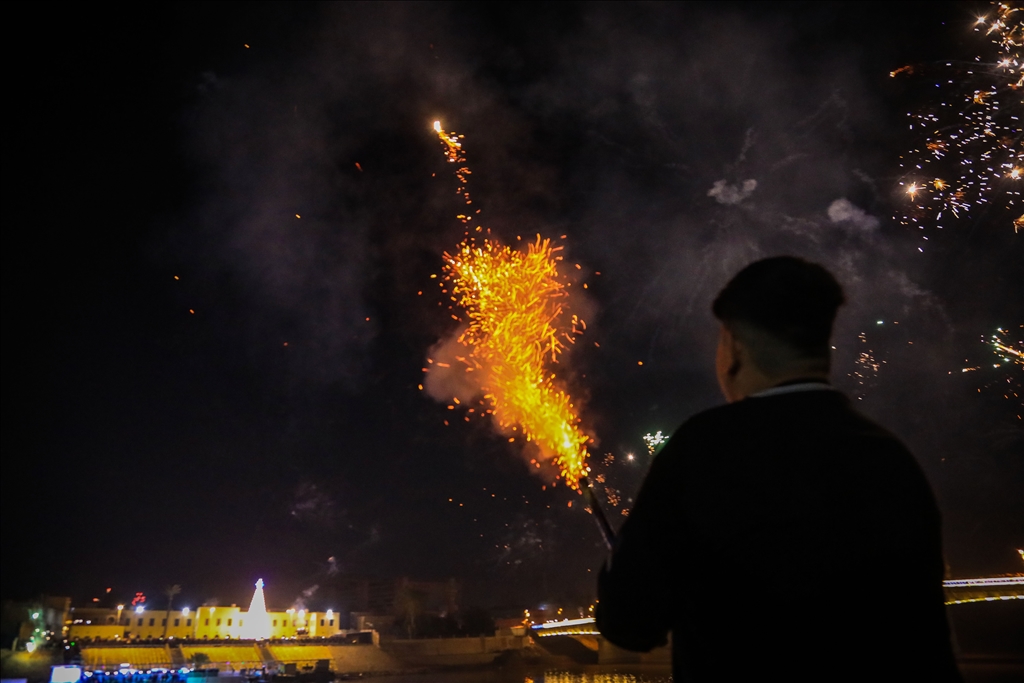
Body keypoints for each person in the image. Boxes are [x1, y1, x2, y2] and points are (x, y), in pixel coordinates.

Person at [596, 256, 961, 681]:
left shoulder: (704, 450)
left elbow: (630, 625)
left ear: (732, 348)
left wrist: (619, 562)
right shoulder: (893, 460)